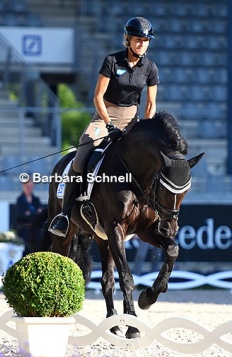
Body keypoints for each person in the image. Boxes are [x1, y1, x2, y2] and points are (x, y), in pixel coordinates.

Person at [49, 16, 159, 237]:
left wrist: (147, 130)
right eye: (137, 40)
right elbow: (98, 97)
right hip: (105, 116)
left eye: (145, 40)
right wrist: (108, 125)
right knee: (81, 157)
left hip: (132, 121)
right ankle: (65, 214)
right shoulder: (112, 61)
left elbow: (150, 104)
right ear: (127, 40)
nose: (142, 44)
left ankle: (154, 214)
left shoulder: (150, 67)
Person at [16, 178, 43, 255]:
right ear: (23, 186)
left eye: (30, 186)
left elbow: (40, 213)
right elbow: (22, 215)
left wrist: (30, 213)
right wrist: (34, 213)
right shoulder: (20, 200)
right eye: (27, 186)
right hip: (24, 230)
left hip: (35, 229)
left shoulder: (36, 199)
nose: (29, 188)